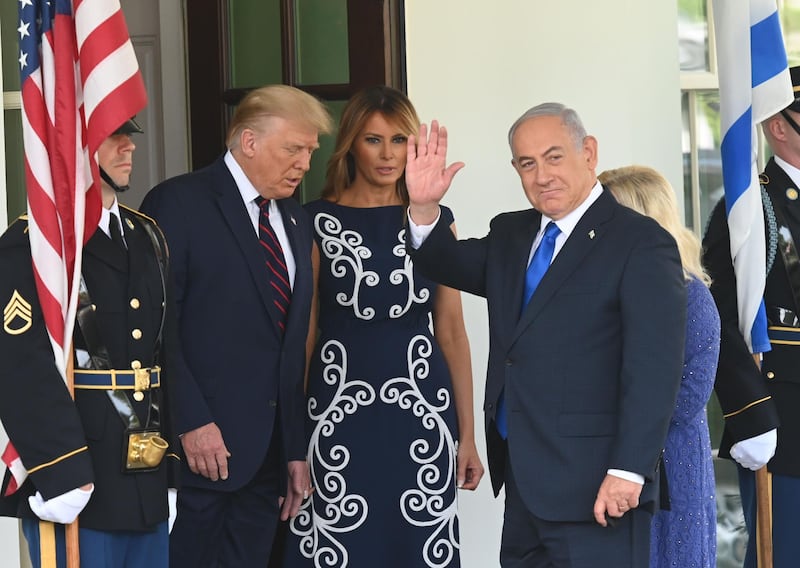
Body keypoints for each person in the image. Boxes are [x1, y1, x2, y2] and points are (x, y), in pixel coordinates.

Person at [404, 103, 687, 567]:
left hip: (598, 488)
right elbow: (443, 263)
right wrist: (423, 205)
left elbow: (653, 369)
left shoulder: (640, 242)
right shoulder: (512, 233)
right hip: (523, 483)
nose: (541, 175)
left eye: (554, 157)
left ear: (589, 153)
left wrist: (629, 470)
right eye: (527, 163)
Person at [281, 85, 484, 568]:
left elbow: (452, 333)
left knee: (416, 547)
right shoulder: (315, 222)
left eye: (399, 140)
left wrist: (468, 434)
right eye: (374, 140)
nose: (388, 154)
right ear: (351, 143)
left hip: (421, 415)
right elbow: (304, 339)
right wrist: (292, 439)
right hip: (334, 417)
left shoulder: (434, 220)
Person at [139, 85, 332, 567]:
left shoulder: (293, 217)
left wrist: (294, 448)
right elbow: (157, 326)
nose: (305, 164)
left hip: (266, 458)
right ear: (248, 142)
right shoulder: (177, 203)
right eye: (294, 149)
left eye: (310, 152)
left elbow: (289, 344)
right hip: (199, 452)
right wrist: (191, 422)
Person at [0, 117, 179, 567]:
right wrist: (61, 472)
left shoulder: (147, 235)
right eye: (110, 136)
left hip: (146, 475)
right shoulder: (33, 245)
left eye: (129, 135)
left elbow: (164, 354)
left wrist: (171, 468)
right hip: (80, 473)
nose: (128, 147)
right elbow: (20, 365)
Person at [702, 65, 800, 568]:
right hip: (787, 421)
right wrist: (749, 413)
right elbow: (718, 314)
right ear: (778, 126)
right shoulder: (747, 211)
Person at [599, 165, 720, 568]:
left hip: (671, 467)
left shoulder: (692, 297)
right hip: (605, 459)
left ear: (642, 220)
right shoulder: (601, 290)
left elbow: (686, 398)